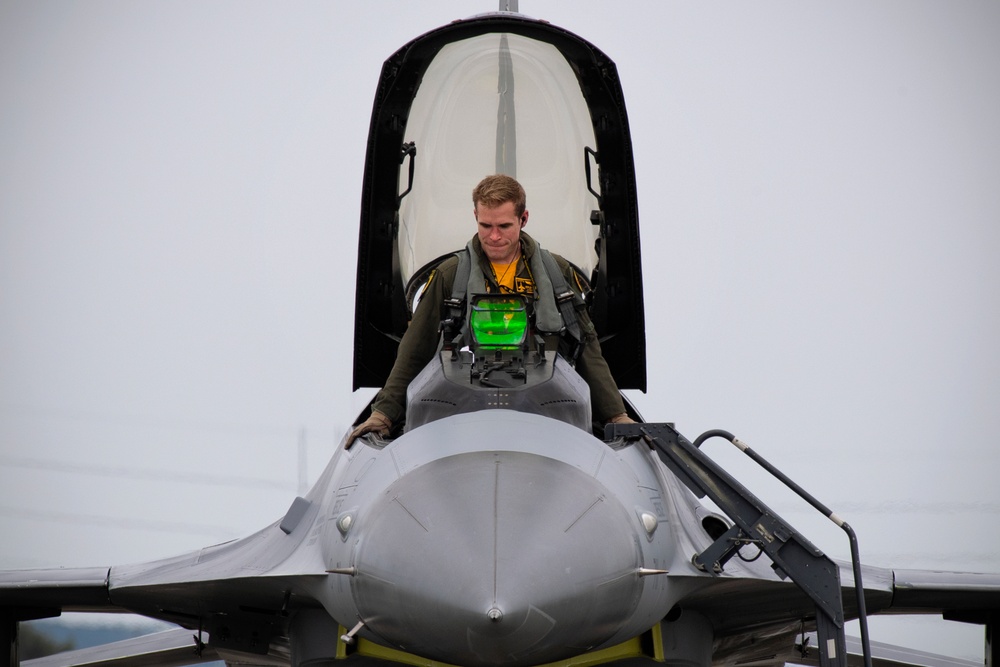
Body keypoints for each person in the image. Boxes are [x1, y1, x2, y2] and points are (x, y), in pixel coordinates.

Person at [350, 174, 633, 442]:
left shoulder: (555, 275)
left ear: (523, 219)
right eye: (486, 226)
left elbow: (586, 345)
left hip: (545, 409)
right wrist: (384, 415)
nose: (494, 236)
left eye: (504, 226)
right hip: (462, 410)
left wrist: (616, 415)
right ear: (475, 217)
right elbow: (415, 348)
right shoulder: (451, 276)